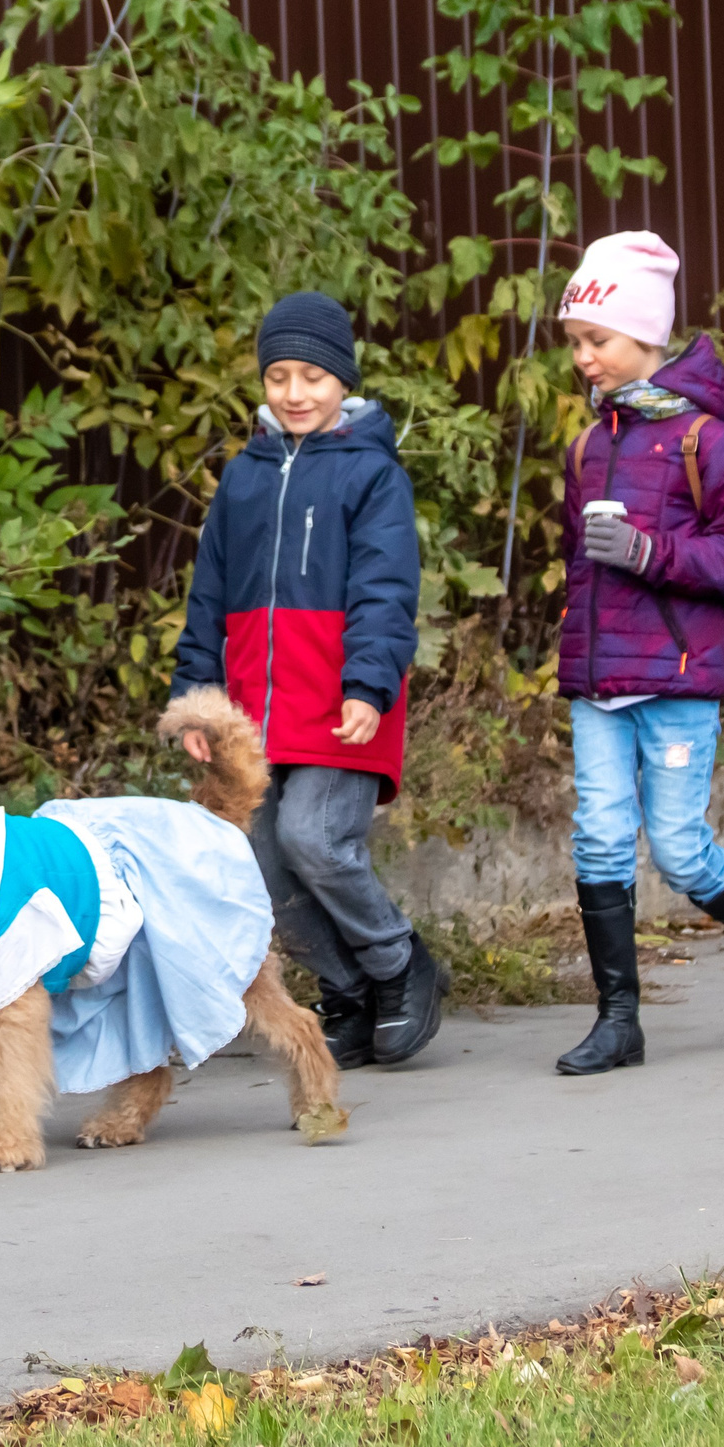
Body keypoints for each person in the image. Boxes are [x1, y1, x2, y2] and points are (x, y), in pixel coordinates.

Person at [551, 231, 724, 1076]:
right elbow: (579, 568)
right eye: (577, 344)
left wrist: (651, 552)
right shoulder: (588, 446)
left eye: (598, 341)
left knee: (675, 843)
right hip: (600, 680)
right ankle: (618, 1021)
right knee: (598, 841)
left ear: (647, 338)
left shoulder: (708, 441)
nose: (585, 359)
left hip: (673, 681)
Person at [171, 292, 448, 1070]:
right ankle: (349, 988)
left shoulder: (372, 474)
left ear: (344, 382)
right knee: (257, 860)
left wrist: (368, 683)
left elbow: (386, 588)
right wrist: (198, 697)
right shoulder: (244, 477)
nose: (295, 393)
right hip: (254, 712)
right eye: (279, 376)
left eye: (314, 377)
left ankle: (402, 966)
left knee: (314, 838)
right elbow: (209, 597)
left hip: (340, 703)